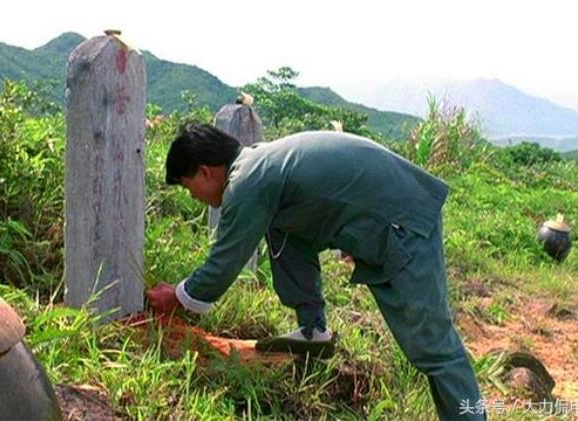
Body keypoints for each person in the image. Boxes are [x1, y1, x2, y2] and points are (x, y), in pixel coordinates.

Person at [147, 123, 484, 420]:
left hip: (404, 221)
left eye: (188, 187)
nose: (193, 197)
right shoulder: (259, 162)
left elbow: (226, 260)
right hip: (391, 212)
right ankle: (312, 330)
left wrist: (179, 297)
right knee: (282, 229)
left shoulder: (248, 181)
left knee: (434, 349)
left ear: (206, 171)